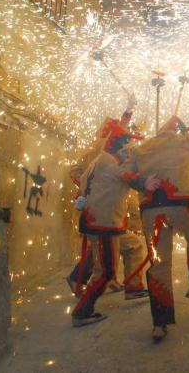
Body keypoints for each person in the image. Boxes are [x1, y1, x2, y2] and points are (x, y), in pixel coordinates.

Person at [122, 116, 189, 341]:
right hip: (180, 206)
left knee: (159, 265)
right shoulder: (183, 141)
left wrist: (142, 183)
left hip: (151, 210)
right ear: (176, 130)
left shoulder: (141, 148)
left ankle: (159, 324)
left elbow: (124, 173)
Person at [71, 120, 159, 327]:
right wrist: (144, 182)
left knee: (134, 245)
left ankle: (134, 288)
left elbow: (83, 183)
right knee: (106, 272)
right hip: (102, 225)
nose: (128, 152)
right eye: (126, 148)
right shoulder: (110, 163)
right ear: (118, 146)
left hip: (102, 221)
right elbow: (126, 176)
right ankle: (81, 313)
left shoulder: (100, 160)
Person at [66, 107, 147, 299]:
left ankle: (123, 283)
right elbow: (77, 172)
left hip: (108, 208)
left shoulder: (105, 149)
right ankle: (82, 290)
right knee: (101, 251)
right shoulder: (102, 152)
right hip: (100, 211)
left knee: (116, 247)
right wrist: (92, 189)